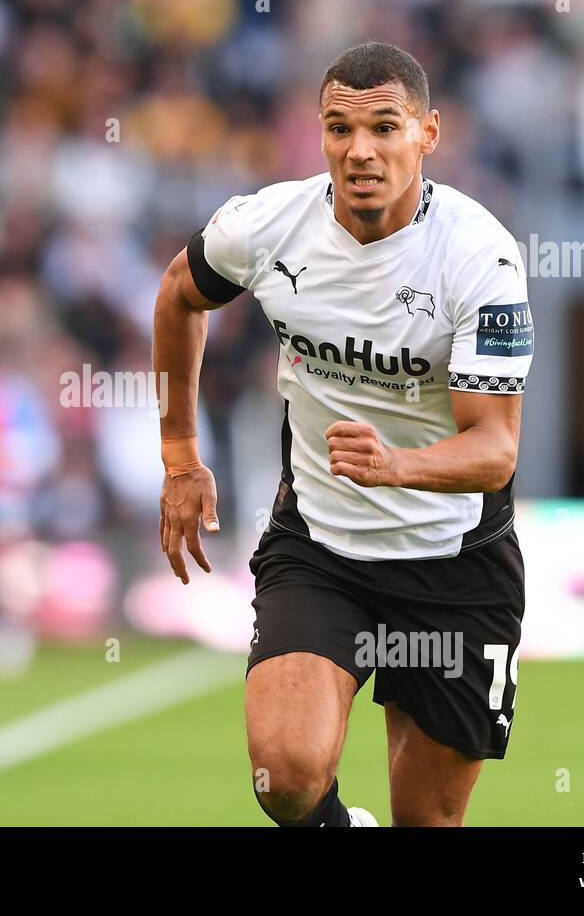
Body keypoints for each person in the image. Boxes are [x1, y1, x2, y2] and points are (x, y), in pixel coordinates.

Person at [153, 42, 533, 827]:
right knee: (284, 779)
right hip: (321, 551)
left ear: (428, 132)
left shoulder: (481, 259)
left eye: (384, 128)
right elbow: (177, 296)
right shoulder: (266, 226)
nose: (359, 151)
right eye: (338, 129)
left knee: (428, 821)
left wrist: (397, 465)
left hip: (452, 566)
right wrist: (180, 456)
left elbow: (496, 450)